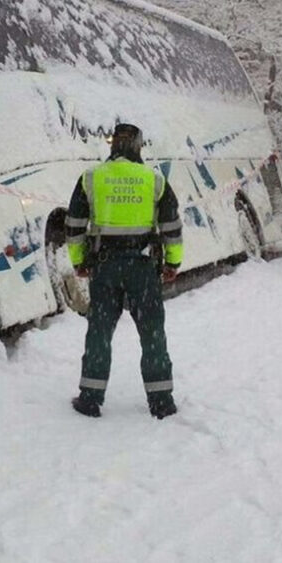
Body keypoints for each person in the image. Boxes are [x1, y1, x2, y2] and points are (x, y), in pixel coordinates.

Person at [65, 122, 182, 419]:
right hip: (143, 269)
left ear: (112, 145)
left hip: (104, 269)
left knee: (100, 332)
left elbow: (74, 226)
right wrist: (172, 262)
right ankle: (161, 401)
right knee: (152, 332)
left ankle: (90, 398)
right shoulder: (153, 179)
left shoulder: (91, 178)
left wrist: (79, 261)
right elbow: (171, 226)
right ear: (138, 146)